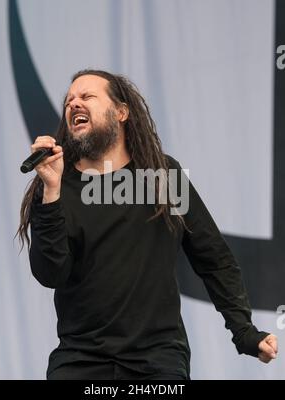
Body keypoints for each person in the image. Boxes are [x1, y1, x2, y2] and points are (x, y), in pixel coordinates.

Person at [17, 69, 278, 380]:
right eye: (69, 100)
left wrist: (244, 331)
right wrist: (51, 191)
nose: (74, 104)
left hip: (156, 359)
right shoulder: (58, 186)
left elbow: (214, 259)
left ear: (121, 112)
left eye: (86, 97)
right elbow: (50, 273)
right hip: (80, 359)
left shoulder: (162, 177)